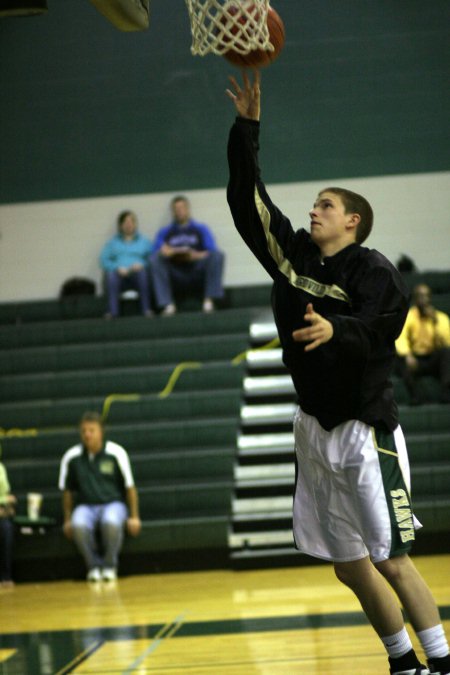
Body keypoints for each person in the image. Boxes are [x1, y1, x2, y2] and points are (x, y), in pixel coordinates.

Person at [225, 71, 450, 675]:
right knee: (349, 563)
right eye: (316, 205)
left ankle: (443, 659)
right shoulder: (294, 260)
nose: (314, 211)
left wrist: (337, 330)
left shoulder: (373, 269)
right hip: (314, 430)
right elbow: (249, 204)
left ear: (353, 220)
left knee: (393, 556)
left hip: (364, 427)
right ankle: (403, 661)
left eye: (326, 205)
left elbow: (384, 325)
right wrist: (248, 129)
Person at [58, 412, 141, 582]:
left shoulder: (116, 453)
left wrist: (134, 516)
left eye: (91, 430)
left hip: (113, 503)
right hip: (85, 506)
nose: (87, 434)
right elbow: (67, 491)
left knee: (110, 522)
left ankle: (110, 566)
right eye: (84, 431)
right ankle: (93, 566)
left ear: (101, 432)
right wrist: (67, 519)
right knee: (78, 524)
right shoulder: (72, 457)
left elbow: (130, 487)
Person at [150, 195, 225, 315]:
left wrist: (195, 255)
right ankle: (167, 304)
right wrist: (167, 252)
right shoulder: (165, 231)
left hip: (196, 269)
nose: (179, 211)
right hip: (175, 272)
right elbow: (155, 252)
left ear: (188, 209)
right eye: (176, 208)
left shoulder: (201, 228)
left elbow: (211, 250)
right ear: (173, 211)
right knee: (155, 259)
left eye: (182, 207)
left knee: (217, 255)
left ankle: (209, 300)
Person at [396, 284, 450, 405]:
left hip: (433, 357)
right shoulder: (408, 316)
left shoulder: (441, 318)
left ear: (430, 298)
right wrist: (407, 355)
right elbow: (401, 337)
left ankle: (446, 394)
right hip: (415, 359)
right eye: (420, 296)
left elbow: (446, 342)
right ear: (415, 299)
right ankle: (415, 398)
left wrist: (435, 322)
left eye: (426, 296)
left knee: (446, 353)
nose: (423, 299)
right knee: (402, 361)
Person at [100, 210, 153, 318]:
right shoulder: (112, 243)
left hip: (137, 274)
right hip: (119, 275)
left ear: (135, 224)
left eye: (131, 221)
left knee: (143, 274)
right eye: (125, 222)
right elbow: (103, 260)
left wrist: (142, 264)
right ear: (120, 225)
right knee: (110, 275)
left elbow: (152, 258)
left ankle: (146, 310)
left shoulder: (144, 241)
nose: (129, 225)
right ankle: (113, 312)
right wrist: (116, 267)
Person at [0, 454, 16, 588]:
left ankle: (6, 576)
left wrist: (8, 508)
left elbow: (6, 495)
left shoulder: (1, 468)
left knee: (6, 528)